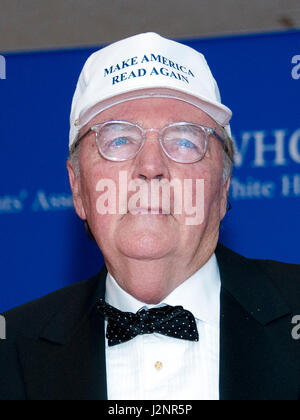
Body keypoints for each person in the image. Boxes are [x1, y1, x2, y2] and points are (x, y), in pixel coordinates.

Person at [1, 33, 299, 401]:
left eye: (185, 141)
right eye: (119, 140)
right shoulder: (9, 354)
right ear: (78, 188)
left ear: (223, 189)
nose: (151, 166)